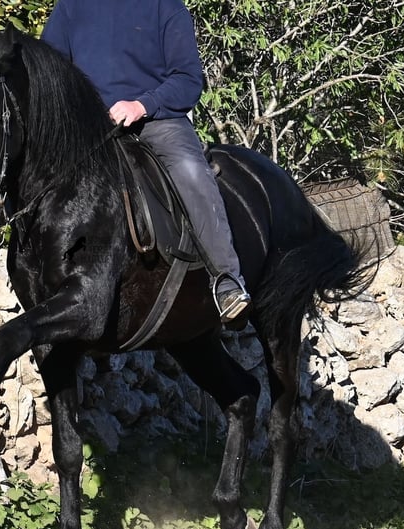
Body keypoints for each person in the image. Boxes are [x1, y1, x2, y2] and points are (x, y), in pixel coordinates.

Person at [41, 0, 251, 323]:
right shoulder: (71, 7)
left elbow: (188, 79)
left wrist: (141, 105)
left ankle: (226, 281)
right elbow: (50, 74)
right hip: (89, 130)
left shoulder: (166, 7)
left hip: (157, 122)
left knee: (192, 173)